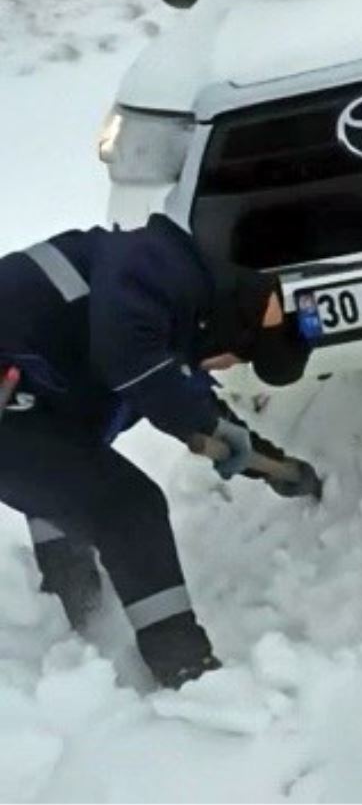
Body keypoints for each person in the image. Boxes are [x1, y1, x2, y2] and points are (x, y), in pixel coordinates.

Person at [0, 213, 314, 688]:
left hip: (25, 410)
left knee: (72, 473)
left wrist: (263, 460)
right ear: (243, 324)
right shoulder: (157, 264)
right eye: (243, 355)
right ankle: (187, 672)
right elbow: (136, 364)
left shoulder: (171, 312)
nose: (229, 364)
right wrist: (204, 425)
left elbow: (181, 395)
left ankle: (74, 619)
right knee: (128, 505)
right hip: (12, 400)